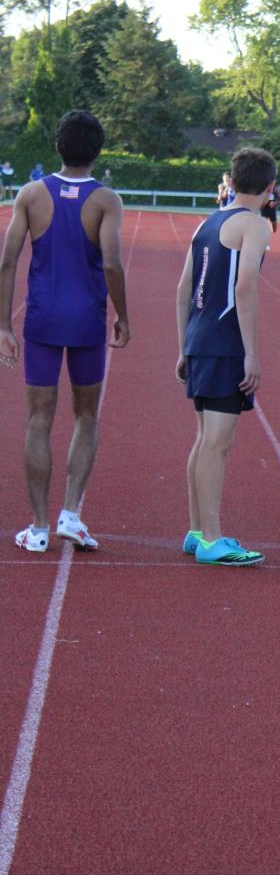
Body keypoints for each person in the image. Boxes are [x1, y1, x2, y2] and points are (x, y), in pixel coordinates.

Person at [0, 110, 129, 553]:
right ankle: (70, 514)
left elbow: (7, 260)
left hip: (42, 321)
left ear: (57, 146)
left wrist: (4, 324)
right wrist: (123, 316)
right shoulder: (106, 200)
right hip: (87, 321)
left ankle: (38, 528)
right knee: (86, 415)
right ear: (98, 151)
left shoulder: (31, 194)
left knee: (38, 418)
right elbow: (112, 263)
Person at [175, 147, 275, 566]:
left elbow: (184, 288)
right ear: (271, 188)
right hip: (225, 342)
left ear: (231, 181)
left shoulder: (208, 222)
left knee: (205, 439)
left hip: (201, 338)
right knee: (216, 443)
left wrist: (184, 346)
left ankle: (198, 532)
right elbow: (245, 286)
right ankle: (212, 539)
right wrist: (251, 353)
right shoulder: (255, 225)